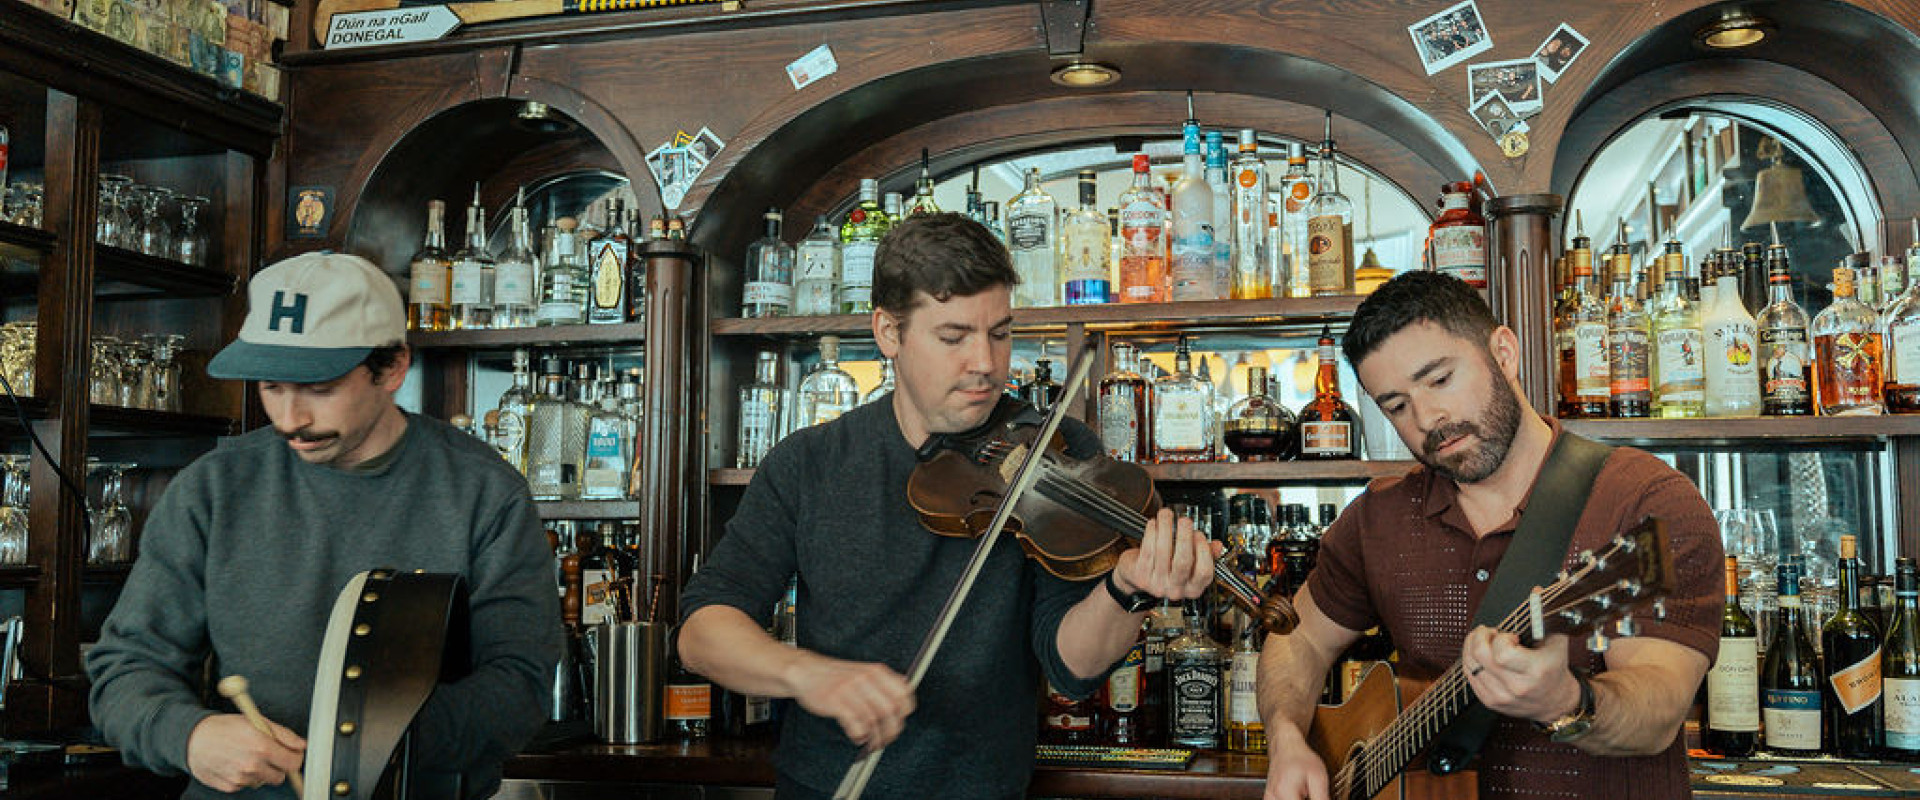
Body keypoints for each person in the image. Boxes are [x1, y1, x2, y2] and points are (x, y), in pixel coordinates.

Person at [678, 212, 1216, 799]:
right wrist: (807, 675)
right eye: (954, 337)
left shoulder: (1056, 454)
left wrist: (1125, 588)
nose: (985, 362)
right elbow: (703, 629)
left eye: (1001, 332)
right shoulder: (810, 463)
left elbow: (1072, 666)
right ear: (889, 333)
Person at [87, 252, 561, 799]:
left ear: (392, 369)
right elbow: (125, 670)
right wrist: (191, 736)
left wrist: (361, 747)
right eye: (271, 387)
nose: (291, 420)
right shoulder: (212, 489)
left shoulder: (484, 492)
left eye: (319, 388)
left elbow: (518, 684)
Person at [1258, 271, 1721, 800]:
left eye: (1439, 379)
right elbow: (1297, 638)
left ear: (1504, 352)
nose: (1428, 418)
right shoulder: (1376, 519)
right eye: (1397, 405)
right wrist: (1287, 739)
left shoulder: (1644, 501)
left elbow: (1659, 708)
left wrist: (1567, 701)